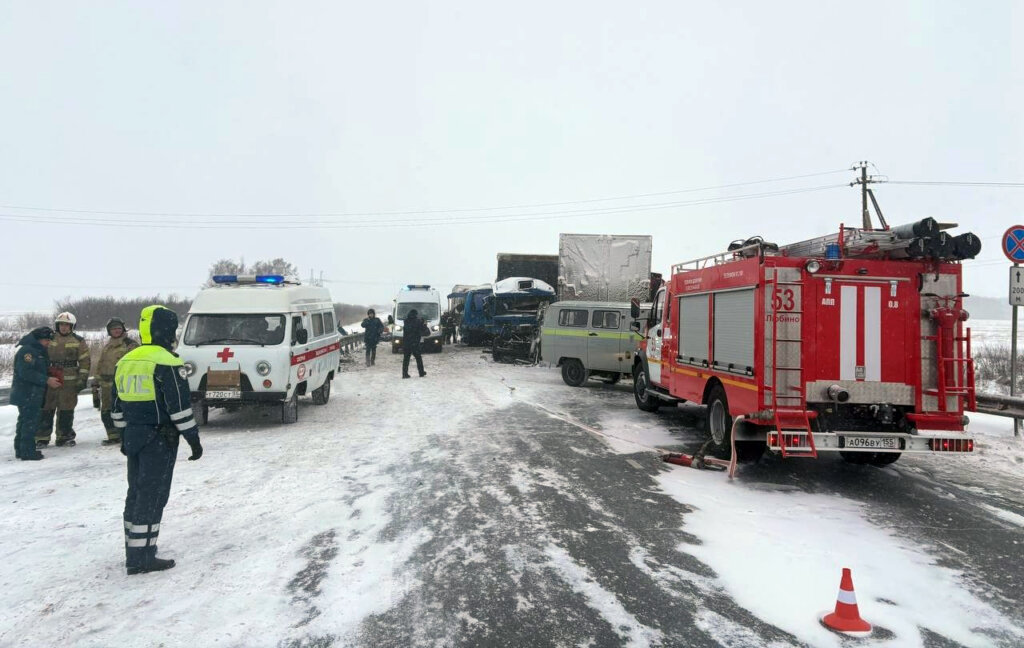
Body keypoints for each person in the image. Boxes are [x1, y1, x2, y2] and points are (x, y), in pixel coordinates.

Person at [112, 305, 203, 575]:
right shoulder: (168, 362)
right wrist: (193, 440)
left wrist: (123, 435)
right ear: (167, 330)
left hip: (134, 437)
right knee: (153, 496)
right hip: (159, 439)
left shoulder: (125, 361)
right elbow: (180, 409)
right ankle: (142, 557)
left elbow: (115, 408)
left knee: (136, 492)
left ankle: (133, 547)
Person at [37, 312, 91, 448]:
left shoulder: (78, 341)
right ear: (57, 325)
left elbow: (85, 362)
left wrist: (82, 379)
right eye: (61, 324)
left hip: (69, 382)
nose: (64, 327)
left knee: (66, 409)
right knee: (46, 408)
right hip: (50, 379)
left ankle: (64, 436)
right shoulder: (49, 338)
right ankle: (41, 438)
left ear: (72, 326)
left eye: (67, 325)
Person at [11, 327, 62, 460]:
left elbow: (35, 369)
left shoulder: (36, 350)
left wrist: (49, 371)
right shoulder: (28, 351)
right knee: (30, 422)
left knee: (24, 421)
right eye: (46, 340)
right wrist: (46, 379)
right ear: (38, 339)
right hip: (27, 393)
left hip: (30, 393)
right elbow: (25, 372)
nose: (48, 343)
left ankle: (21, 449)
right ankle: (27, 452)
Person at [95, 317, 139, 446]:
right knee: (106, 411)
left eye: (119, 328)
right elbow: (101, 364)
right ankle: (112, 435)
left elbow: (135, 364)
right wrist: (96, 382)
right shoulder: (107, 346)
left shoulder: (130, 344)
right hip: (106, 384)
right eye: (113, 329)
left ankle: (125, 435)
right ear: (109, 331)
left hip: (122, 384)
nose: (116, 331)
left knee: (122, 410)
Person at [401, 308, 429, 379]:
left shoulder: (406, 321)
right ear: (416, 315)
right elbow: (427, 333)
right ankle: (421, 372)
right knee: (418, 358)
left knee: (406, 359)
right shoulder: (418, 322)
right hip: (415, 343)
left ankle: (404, 374)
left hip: (407, 343)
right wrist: (424, 324)